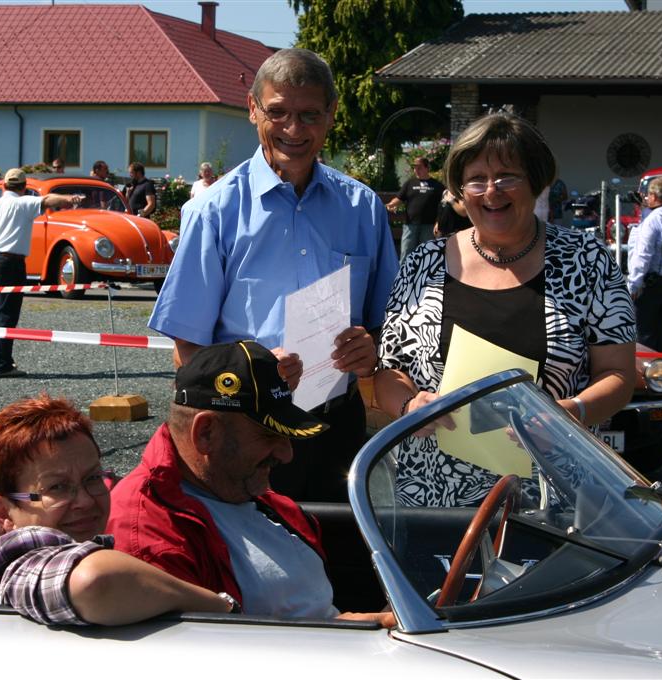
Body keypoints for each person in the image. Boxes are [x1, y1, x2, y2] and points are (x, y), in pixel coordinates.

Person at [148, 48, 398, 503]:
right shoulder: (213, 211)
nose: (294, 129)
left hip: (337, 423)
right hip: (246, 428)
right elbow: (187, 352)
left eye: (309, 114)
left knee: (338, 559)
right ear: (252, 109)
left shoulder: (363, 208)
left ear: (331, 114)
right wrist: (254, 369)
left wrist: (372, 347)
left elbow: (388, 324)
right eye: (278, 112)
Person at [373, 113, 635, 507]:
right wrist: (410, 406)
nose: (490, 191)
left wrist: (572, 412)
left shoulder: (587, 259)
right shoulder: (422, 264)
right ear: (460, 190)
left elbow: (618, 374)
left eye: (507, 176)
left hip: (556, 498)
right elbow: (388, 372)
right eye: (476, 179)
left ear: (536, 180)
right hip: (431, 497)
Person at [107, 341, 394, 626]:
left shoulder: (244, 490)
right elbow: (202, 656)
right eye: (268, 435)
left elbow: (311, 616)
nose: (287, 453)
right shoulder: (150, 531)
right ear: (206, 433)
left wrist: (358, 626)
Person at [0, 394, 234, 625]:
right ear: (3, 512)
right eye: (58, 487)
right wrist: (221, 607)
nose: (84, 501)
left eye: (92, 478)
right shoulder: (14, 562)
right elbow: (94, 581)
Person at [0, 168, 82, 378]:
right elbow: (48, 200)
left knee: (1, 312)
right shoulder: (23, 203)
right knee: (8, 315)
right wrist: (70, 198)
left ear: (4, 185)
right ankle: (3, 365)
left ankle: (4, 361)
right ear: (23, 187)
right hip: (12, 262)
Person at [628, 176, 662, 353]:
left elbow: (643, 254)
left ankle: (646, 376)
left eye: (648, 195)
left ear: (654, 196)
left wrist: (633, 284)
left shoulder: (653, 221)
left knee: (645, 335)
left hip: (652, 284)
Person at [385, 156, 445, 263]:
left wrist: (438, 222)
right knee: (406, 253)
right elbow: (399, 198)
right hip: (410, 225)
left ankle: (426, 278)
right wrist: (391, 204)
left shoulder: (438, 186)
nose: (416, 170)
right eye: (414, 168)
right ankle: (403, 277)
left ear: (427, 168)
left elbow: (443, 206)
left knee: (428, 254)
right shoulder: (410, 183)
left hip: (429, 226)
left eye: (419, 167)